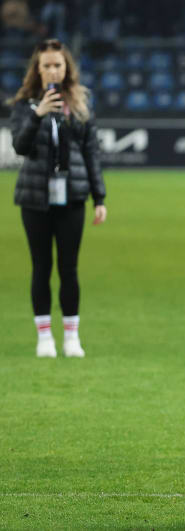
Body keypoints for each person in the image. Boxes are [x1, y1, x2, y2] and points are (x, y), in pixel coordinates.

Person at [9, 38, 107, 359]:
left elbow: (91, 152)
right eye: (47, 65)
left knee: (69, 268)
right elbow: (21, 147)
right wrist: (38, 114)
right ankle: (44, 338)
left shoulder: (79, 103)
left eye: (58, 65)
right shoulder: (24, 104)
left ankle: (71, 336)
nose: (53, 70)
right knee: (40, 266)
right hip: (35, 198)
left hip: (72, 197)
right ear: (37, 70)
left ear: (67, 69)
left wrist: (99, 197)